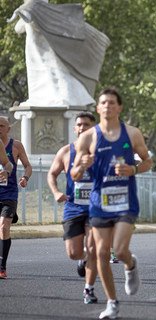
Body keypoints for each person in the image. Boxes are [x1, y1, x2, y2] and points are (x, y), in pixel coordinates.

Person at [71, 88, 152, 319]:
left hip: (126, 201)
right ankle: (112, 303)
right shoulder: (87, 138)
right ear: (98, 108)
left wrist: (134, 168)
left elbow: (148, 161)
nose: (107, 106)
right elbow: (75, 175)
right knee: (102, 252)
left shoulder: (133, 134)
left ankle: (130, 264)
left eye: (112, 102)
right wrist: (83, 165)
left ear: (119, 107)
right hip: (99, 202)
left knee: (119, 248)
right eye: (103, 102)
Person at [47, 112, 98, 303]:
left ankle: (89, 289)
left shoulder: (101, 151)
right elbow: (52, 174)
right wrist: (56, 192)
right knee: (73, 252)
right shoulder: (66, 152)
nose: (82, 127)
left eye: (86, 124)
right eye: (79, 125)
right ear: (75, 128)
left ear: (93, 128)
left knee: (93, 247)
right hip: (73, 208)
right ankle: (82, 259)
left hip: (96, 208)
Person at [0, 116, 32, 280]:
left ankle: (2, 267)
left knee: (4, 227)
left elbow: (27, 165)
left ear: (8, 128)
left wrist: (25, 178)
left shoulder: (16, 145)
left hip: (9, 192)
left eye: (1, 126)